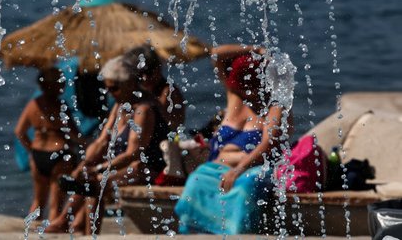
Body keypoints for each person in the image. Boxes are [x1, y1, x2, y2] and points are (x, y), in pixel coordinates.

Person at [174, 44, 291, 234]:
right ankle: (197, 233)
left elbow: (268, 144)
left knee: (245, 188)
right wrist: (257, 49)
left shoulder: (275, 106)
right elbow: (215, 54)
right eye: (243, 87)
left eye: (253, 87)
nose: (248, 92)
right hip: (217, 168)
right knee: (195, 180)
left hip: (251, 170)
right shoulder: (235, 96)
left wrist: (237, 170)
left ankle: (234, 233)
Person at [46, 56, 169, 235]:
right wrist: (83, 166)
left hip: (148, 168)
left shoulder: (144, 109)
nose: (110, 93)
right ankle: (78, 226)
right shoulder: (120, 106)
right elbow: (101, 141)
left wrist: (99, 169)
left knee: (97, 181)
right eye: (107, 88)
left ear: (129, 83)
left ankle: (82, 229)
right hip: (126, 166)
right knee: (88, 176)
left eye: (114, 88)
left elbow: (133, 153)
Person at [14, 68, 84, 221]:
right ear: (53, 85)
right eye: (61, 83)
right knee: (56, 205)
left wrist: (31, 149)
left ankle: (29, 234)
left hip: (38, 154)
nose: (64, 86)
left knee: (38, 202)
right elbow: (75, 135)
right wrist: (88, 144)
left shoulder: (33, 105)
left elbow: (19, 131)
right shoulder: (60, 106)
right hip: (59, 154)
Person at [124, 44, 185, 130]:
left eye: (149, 71)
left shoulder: (169, 92)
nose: (145, 78)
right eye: (139, 73)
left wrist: (155, 103)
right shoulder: (136, 91)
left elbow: (174, 125)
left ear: (158, 67)